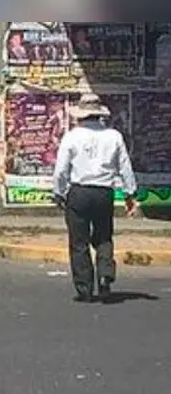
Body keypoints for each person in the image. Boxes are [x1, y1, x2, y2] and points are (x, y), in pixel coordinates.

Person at [53, 94, 138, 303]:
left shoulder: (72, 137)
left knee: (78, 241)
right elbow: (125, 167)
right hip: (104, 193)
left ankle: (85, 288)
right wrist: (130, 193)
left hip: (79, 192)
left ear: (81, 115)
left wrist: (59, 192)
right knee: (103, 236)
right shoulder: (114, 136)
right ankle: (105, 277)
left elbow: (61, 170)